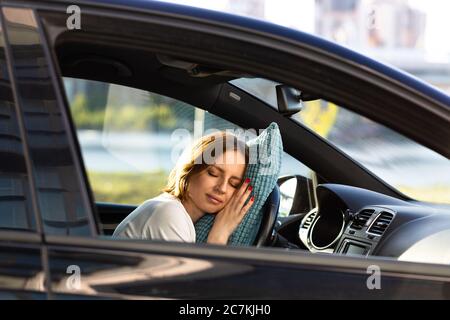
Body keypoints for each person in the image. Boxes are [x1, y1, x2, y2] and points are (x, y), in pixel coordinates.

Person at [112, 131, 254, 245]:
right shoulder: (170, 213)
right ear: (191, 169)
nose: (222, 188)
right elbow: (197, 281)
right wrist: (219, 236)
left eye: (233, 184)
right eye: (213, 173)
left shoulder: (181, 216)